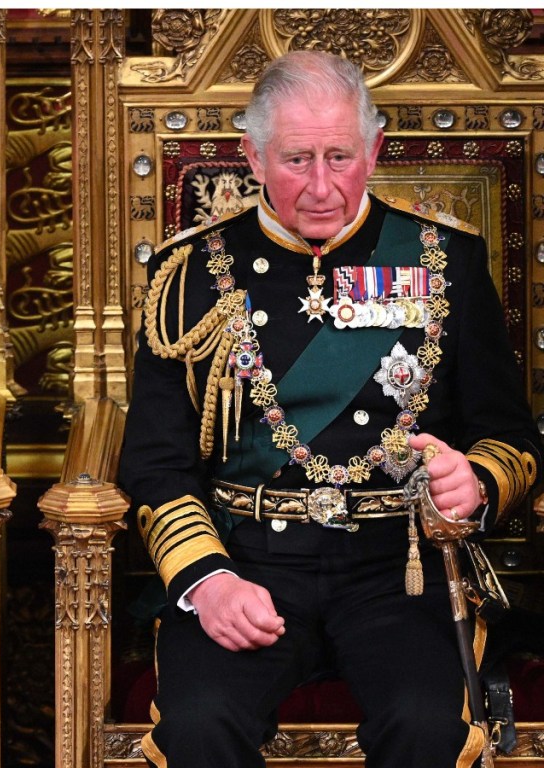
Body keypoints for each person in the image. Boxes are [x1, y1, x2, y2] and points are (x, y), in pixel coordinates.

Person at [118, 50, 542, 768]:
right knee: (197, 726)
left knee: (427, 727)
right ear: (253, 156)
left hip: (399, 568)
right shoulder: (187, 275)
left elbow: (510, 437)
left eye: (340, 157)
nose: (321, 186)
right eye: (296, 159)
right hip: (247, 559)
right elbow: (156, 461)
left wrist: (475, 482)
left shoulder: (446, 260)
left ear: (373, 150)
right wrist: (207, 580)